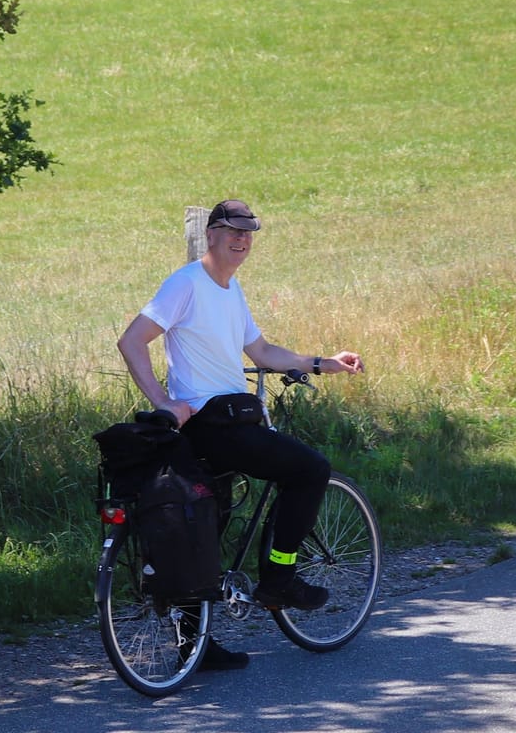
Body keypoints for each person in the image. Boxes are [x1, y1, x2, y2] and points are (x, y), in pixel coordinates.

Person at [116, 199, 364, 672]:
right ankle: (280, 578)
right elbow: (131, 341)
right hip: (215, 424)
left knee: (206, 529)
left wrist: (323, 362)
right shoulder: (186, 283)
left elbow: (263, 350)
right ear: (210, 234)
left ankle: (195, 649)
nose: (241, 239)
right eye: (231, 229)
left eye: (249, 232)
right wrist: (163, 402)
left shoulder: (230, 289)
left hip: (215, 426)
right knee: (310, 469)